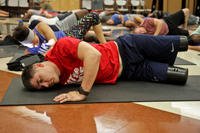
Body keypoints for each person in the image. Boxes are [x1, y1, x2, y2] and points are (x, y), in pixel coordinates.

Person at [21, 34, 190, 103]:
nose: (45, 85)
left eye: (40, 80)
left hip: (128, 47)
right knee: (180, 76)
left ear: (39, 65)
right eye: (40, 87)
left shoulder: (62, 47)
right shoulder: (56, 82)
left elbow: (94, 56)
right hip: (131, 72)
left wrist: (82, 92)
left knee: (182, 43)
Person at [12, 12, 106, 55]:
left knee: (93, 16)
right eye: (31, 45)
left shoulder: (40, 26)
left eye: (34, 41)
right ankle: (92, 37)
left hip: (69, 36)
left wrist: (48, 47)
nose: (34, 45)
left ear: (34, 34)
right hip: (67, 47)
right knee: (90, 40)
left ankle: (105, 46)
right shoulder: (28, 48)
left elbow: (54, 42)